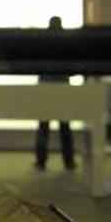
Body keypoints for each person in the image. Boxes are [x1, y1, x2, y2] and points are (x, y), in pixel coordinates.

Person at [35, 16, 75, 171]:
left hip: (46, 87)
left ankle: (41, 160)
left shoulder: (43, 42)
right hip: (62, 88)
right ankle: (68, 160)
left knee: (43, 125)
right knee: (64, 125)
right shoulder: (66, 42)